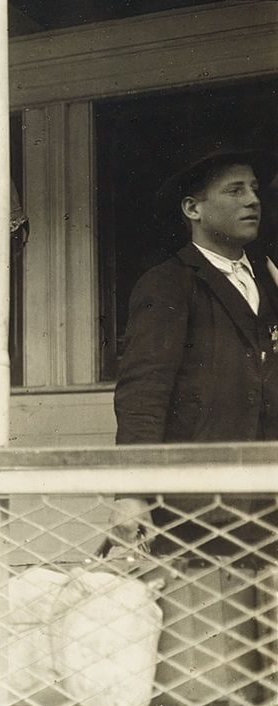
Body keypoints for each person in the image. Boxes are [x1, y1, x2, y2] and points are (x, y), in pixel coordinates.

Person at [111, 145, 278, 554]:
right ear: (193, 209)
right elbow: (142, 394)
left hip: (270, 499)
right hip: (199, 507)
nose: (253, 200)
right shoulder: (168, 283)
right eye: (234, 191)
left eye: (254, 189)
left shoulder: (270, 281)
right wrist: (130, 493)